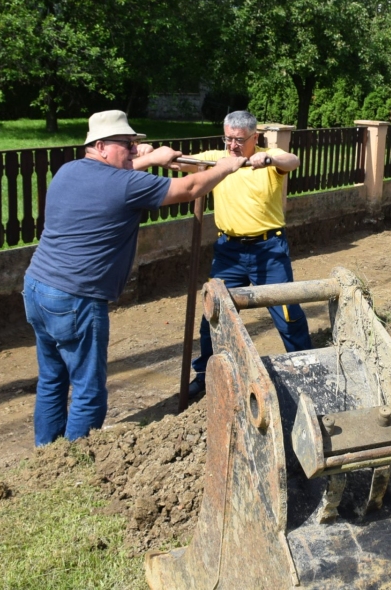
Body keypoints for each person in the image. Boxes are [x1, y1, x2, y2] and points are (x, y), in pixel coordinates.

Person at [23, 110, 245, 446]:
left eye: (134, 143)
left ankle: (46, 454)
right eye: (126, 144)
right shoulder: (124, 184)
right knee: (87, 387)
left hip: (37, 289)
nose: (132, 149)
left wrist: (153, 158)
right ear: (100, 146)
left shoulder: (70, 171)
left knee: (53, 378)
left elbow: (113, 182)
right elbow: (191, 187)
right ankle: (74, 461)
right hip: (76, 299)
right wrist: (226, 166)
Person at [186, 110, 308, 395]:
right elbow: (184, 165)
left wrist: (269, 159)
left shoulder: (270, 158)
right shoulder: (217, 159)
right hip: (229, 251)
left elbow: (293, 161)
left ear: (255, 137)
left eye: (239, 140)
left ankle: (304, 365)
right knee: (213, 313)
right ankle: (206, 374)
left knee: (287, 311)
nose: (232, 146)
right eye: (228, 139)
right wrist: (152, 155)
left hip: (268, 249)